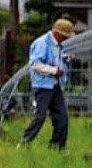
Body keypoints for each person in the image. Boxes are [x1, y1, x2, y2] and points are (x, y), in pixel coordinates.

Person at [21, 18, 74, 150]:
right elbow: (34, 64)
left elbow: (58, 59)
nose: (66, 39)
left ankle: (57, 147)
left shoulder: (60, 45)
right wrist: (54, 71)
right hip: (43, 86)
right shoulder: (42, 43)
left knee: (62, 117)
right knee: (40, 117)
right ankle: (24, 143)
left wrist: (67, 59)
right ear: (58, 33)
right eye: (65, 36)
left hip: (56, 85)